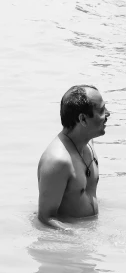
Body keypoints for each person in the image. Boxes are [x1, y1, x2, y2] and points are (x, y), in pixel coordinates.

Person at [37, 86, 110, 230]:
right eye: (101, 110)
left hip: (87, 237)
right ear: (83, 119)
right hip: (70, 241)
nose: (108, 114)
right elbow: (45, 218)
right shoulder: (58, 162)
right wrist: (78, 237)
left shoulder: (88, 143)